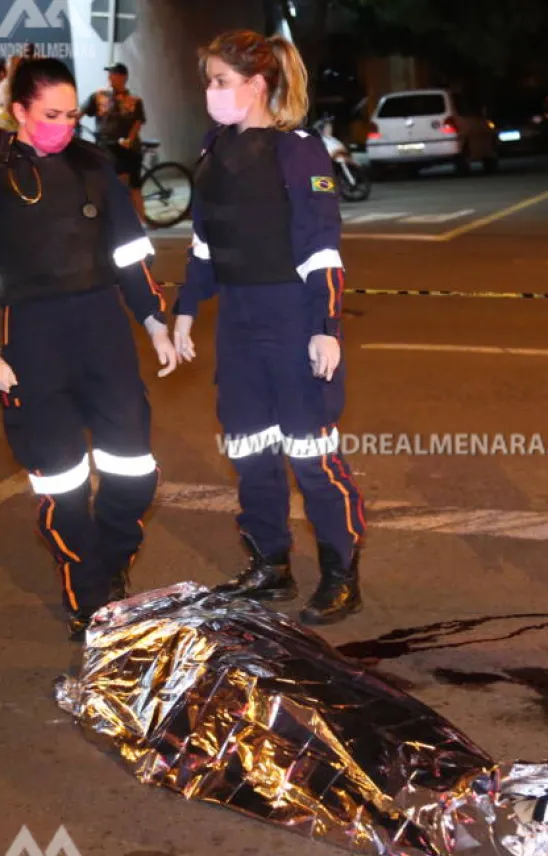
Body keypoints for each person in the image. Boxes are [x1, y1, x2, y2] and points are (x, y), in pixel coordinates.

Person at [172, 30, 366, 626]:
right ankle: (270, 565)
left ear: (256, 85)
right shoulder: (213, 149)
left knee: (311, 451)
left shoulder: (298, 150)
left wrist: (324, 326)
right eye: (209, 81)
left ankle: (340, 572)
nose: (212, 92)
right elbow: (206, 243)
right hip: (236, 316)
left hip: (290, 316)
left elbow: (321, 247)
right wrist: (184, 309)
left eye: (221, 81)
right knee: (250, 447)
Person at [0, 58, 178, 641]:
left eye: (72, 114)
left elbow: (130, 251)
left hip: (102, 330)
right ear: (18, 111)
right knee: (63, 482)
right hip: (28, 338)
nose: (64, 125)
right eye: (51, 115)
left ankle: (110, 562)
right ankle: (88, 597)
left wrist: (153, 319)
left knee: (134, 470)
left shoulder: (94, 167)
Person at [79, 63, 147, 222]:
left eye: (114, 74)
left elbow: (138, 121)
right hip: (107, 147)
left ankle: (141, 220)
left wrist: (130, 139)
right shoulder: (98, 96)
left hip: (129, 149)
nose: (109, 77)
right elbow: (80, 113)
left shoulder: (134, 100)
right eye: (109, 74)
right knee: (117, 182)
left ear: (123, 77)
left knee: (134, 186)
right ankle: (123, 221)